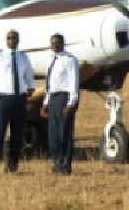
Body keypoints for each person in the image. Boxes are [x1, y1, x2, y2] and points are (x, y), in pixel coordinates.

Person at [0, 30, 35, 174]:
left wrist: (31, 87)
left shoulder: (23, 57)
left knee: (17, 134)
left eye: (14, 38)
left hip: (19, 98)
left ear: (18, 40)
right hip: (3, 99)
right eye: (9, 38)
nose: (11, 40)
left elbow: (29, 74)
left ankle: (12, 166)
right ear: (6, 40)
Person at [41, 33, 79, 175]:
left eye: (57, 43)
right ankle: (56, 162)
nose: (54, 45)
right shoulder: (52, 60)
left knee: (64, 133)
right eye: (52, 43)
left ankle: (65, 165)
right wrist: (45, 103)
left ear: (63, 43)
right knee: (53, 135)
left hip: (64, 97)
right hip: (53, 99)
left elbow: (73, 82)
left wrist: (71, 103)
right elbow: (50, 85)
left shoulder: (70, 60)